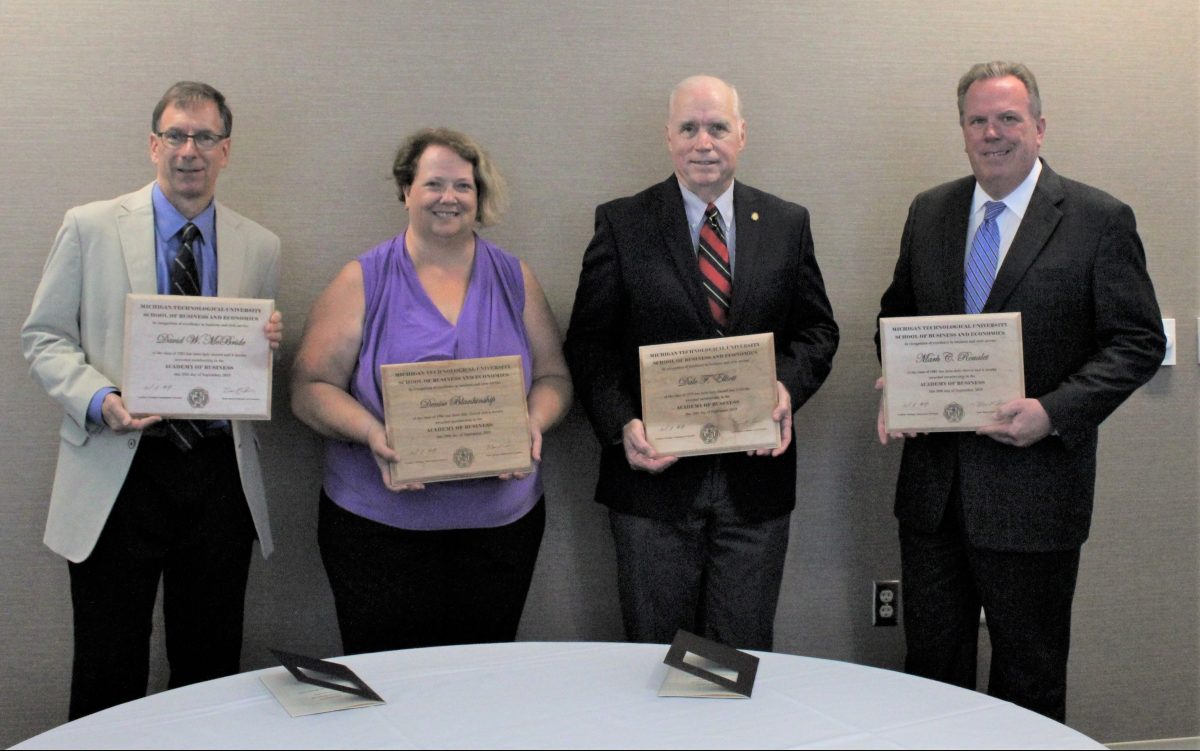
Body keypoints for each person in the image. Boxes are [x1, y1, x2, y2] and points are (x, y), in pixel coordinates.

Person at [875, 62, 1165, 721]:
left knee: (1027, 681)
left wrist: (1054, 411)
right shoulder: (931, 211)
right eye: (978, 119)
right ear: (963, 130)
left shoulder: (1099, 219)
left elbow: (1136, 340)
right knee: (930, 674)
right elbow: (897, 318)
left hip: (1035, 491)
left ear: (1039, 124)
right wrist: (894, 376)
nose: (993, 132)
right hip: (934, 496)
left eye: (1008, 117)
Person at [21, 81, 284, 719]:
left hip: (219, 478)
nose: (188, 150)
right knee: (109, 668)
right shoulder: (89, 226)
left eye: (204, 138)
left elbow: (243, 365)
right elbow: (44, 338)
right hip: (120, 470)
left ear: (226, 151)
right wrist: (100, 399)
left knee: (209, 667)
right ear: (153, 145)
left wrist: (266, 343)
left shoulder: (261, 245)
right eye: (175, 135)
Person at [563, 75, 839, 651]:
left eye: (717, 127)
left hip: (754, 484)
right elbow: (589, 343)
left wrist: (784, 391)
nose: (703, 141)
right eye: (689, 128)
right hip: (653, 485)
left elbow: (817, 331)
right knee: (654, 656)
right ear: (668, 138)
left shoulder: (787, 223)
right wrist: (623, 428)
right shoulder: (622, 222)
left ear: (742, 135)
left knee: (739, 655)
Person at [291, 128, 571, 654]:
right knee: (389, 683)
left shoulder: (515, 279)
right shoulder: (362, 279)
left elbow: (555, 379)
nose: (449, 198)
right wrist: (373, 432)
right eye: (434, 184)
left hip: (499, 529)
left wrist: (531, 424)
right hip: (377, 529)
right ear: (406, 191)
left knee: (477, 682)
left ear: (479, 195)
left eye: (463, 186)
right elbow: (309, 389)